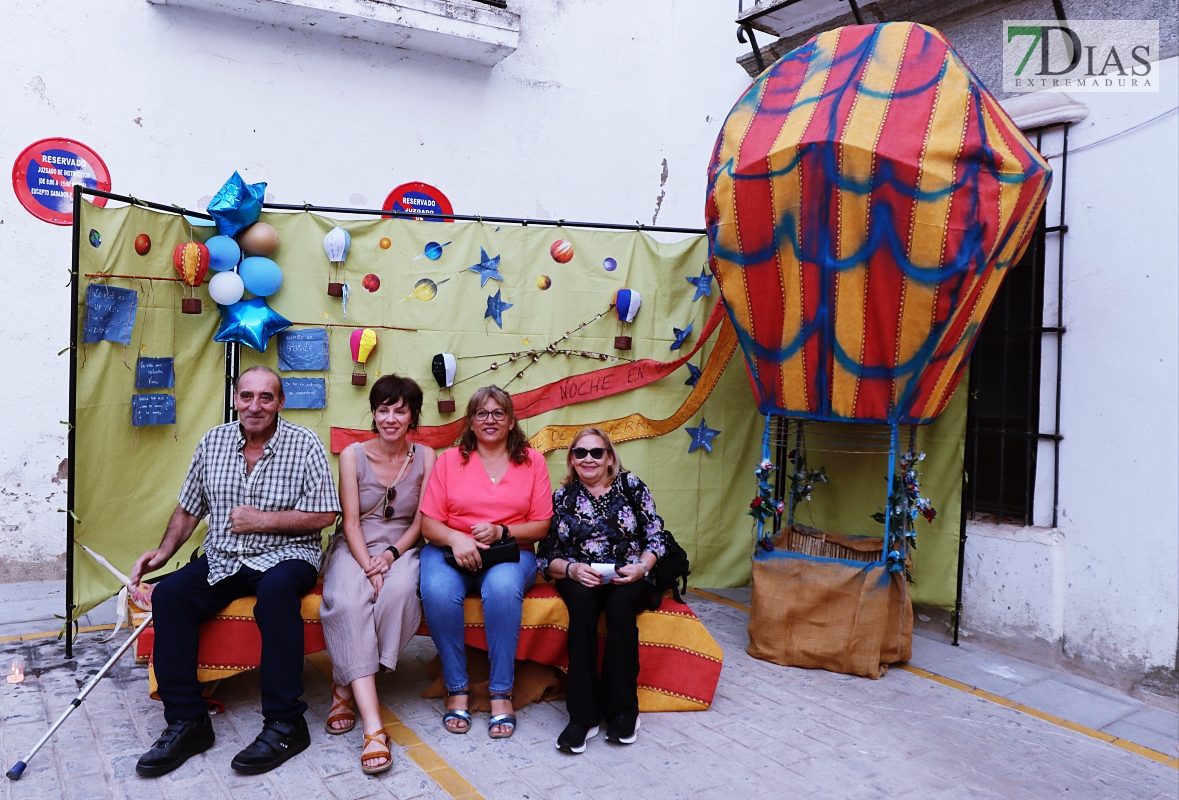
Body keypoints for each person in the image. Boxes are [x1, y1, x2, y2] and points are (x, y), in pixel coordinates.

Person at [129, 366, 340, 778]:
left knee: (278, 595)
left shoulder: (305, 444)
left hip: (285, 556)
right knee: (171, 595)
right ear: (236, 398)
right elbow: (190, 507)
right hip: (224, 557)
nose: (255, 406)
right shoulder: (214, 443)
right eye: (247, 396)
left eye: (266, 397)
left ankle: (285, 723)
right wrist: (163, 552)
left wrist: (263, 520)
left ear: (280, 402)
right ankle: (188, 721)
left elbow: (326, 513)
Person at [418, 386, 553, 738]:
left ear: (511, 421)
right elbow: (429, 523)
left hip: (510, 553)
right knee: (435, 589)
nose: (489, 420)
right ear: (471, 422)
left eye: (498, 414)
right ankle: (457, 687)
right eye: (481, 413)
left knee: (503, 588)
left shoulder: (531, 461)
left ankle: (501, 692)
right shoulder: (450, 459)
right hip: (451, 550)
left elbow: (542, 525)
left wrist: (503, 530)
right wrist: (456, 538)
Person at [320, 374, 436, 774]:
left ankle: (344, 682)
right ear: (373, 413)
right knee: (348, 601)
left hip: (401, 546)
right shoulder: (352, 455)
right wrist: (368, 564)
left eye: (399, 410)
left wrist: (389, 556)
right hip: (355, 546)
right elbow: (350, 522)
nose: (390, 417)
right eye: (383, 409)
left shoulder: (426, 456)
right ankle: (373, 728)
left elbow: (422, 521)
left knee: (400, 592)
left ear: (412, 416)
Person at [537, 427, 668, 754]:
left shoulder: (631, 486)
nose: (589, 459)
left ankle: (623, 710)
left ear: (610, 457)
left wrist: (641, 566)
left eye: (597, 452)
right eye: (580, 452)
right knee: (581, 608)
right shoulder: (561, 498)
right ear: (571, 459)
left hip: (630, 573)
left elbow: (657, 538)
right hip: (580, 575)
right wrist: (571, 569)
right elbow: (545, 556)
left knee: (620, 607)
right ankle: (582, 717)